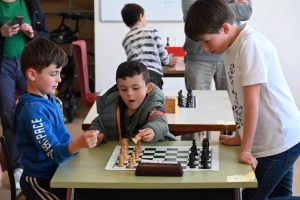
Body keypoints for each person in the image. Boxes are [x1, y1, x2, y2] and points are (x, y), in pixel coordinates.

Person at [184, 0, 300, 199]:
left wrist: (245, 149)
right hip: (275, 139)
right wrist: (240, 136)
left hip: (278, 140)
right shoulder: (231, 45)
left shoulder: (250, 45)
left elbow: (252, 103)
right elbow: (238, 98)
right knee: (278, 195)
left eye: (207, 41)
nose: (204, 48)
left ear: (225, 28)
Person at [10, 37, 98, 199]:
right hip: (40, 179)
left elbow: (59, 138)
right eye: (53, 74)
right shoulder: (33, 110)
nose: (59, 79)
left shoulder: (48, 99)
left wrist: (74, 146)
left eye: (59, 73)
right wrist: (78, 143)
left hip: (57, 172)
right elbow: (53, 152)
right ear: (32, 74)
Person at [180, 0, 252, 140]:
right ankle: (189, 150)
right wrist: (224, 6)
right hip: (198, 59)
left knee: (232, 107)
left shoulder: (250, 44)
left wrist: (209, 9)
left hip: (229, 52)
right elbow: (192, 15)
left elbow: (246, 11)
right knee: (193, 109)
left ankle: (230, 143)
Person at [0, 0, 49, 189]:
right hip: (3, 64)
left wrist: (32, 34)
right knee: (8, 114)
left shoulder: (30, 3)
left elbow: (45, 35)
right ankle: (18, 166)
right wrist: (1, 33)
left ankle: (39, 159)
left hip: (27, 63)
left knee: (35, 107)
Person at [89, 60, 177, 144]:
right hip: (123, 155)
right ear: (118, 89)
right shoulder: (112, 105)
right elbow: (99, 122)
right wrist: (96, 134)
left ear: (149, 88)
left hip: (151, 153)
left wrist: (152, 130)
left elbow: (160, 122)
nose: (129, 93)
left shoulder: (153, 106)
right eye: (123, 89)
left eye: (135, 88)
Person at [121, 3, 177, 90]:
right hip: (151, 73)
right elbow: (162, 53)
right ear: (140, 17)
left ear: (126, 23)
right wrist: (168, 60)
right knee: (154, 100)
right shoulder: (152, 31)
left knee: (140, 101)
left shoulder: (126, 39)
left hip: (133, 75)